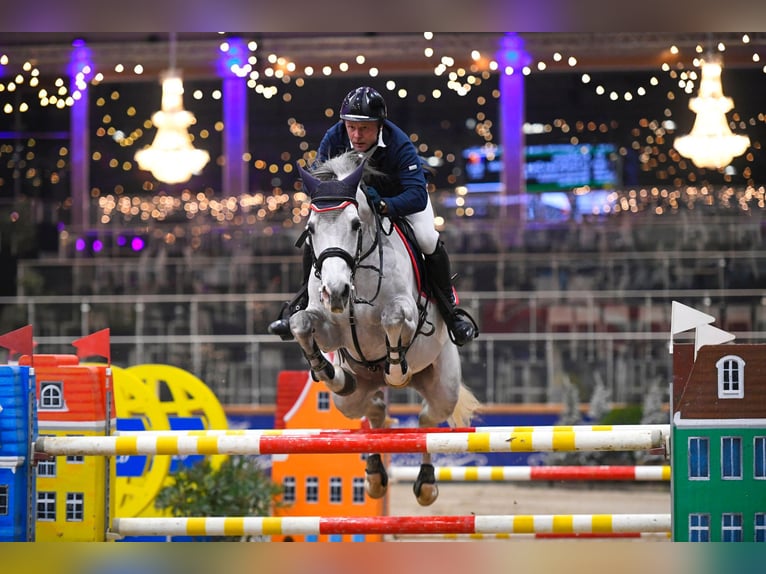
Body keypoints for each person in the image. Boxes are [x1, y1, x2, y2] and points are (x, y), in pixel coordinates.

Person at [268, 86, 478, 346]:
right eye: (351, 127)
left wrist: (385, 206)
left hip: (397, 200)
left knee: (427, 238)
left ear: (380, 125)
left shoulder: (398, 142)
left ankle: (451, 311)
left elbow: (417, 195)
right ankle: (301, 301)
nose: (356, 135)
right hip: (353, 207)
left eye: (365, 128)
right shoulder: (334, 137)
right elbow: (321, 182)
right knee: (315, 238)